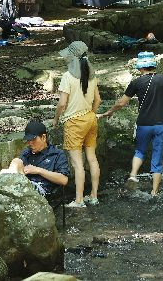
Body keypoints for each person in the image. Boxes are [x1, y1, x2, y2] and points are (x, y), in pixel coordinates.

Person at [101, 51, 163, 196]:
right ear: (153, 65)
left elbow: (122, 103)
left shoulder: (136, 82)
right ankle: (154, 192)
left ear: (140, 67)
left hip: (143, 123)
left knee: (140, 151)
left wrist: (109, 112)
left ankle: (133, 175)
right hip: (161, 124)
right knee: (157, 157)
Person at [52, 41, 102, 208]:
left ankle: (79, 200)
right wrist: (92, 114)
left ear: (72, 55)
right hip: (90, 119)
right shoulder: (92, 75)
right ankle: (94, 196)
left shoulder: (68, 76)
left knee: (77, 164)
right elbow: (98, 99)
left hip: (74, 122)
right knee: (92, 159)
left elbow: (61, 104)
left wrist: (56, 119)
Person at [1, 120, 70, 196]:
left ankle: (7, 178)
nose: (30, 143)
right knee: (16, 161)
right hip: (25, 186)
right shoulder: (27, 153)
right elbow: (20, 169)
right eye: (28, 140)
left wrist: (38, 170)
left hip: (43, 190)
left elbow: (64, 180)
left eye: (33, 139)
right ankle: (8, 177)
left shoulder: (57, 154)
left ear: (43, 137)